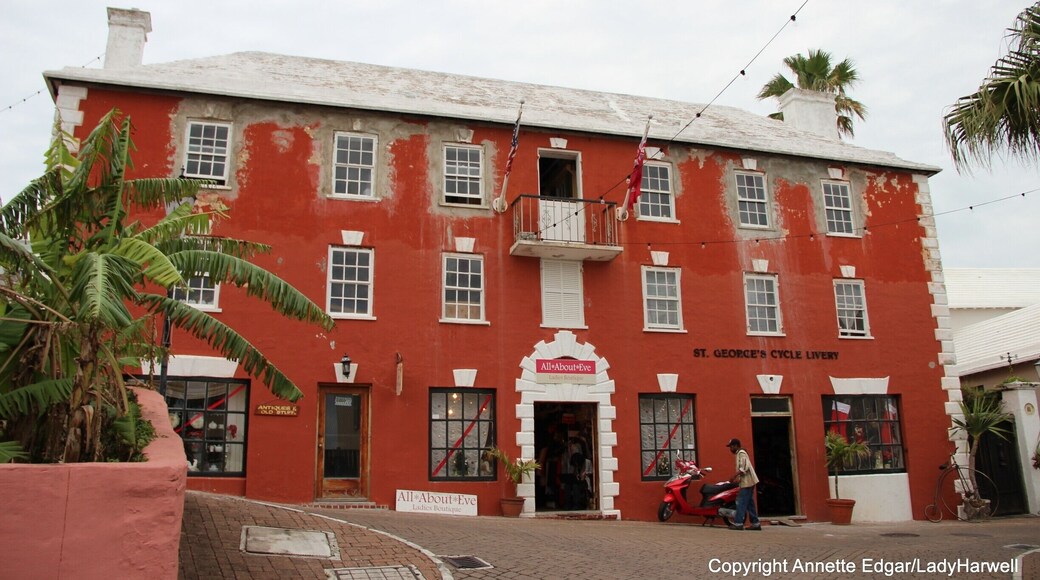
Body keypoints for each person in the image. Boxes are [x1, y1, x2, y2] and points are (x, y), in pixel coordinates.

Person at [726, 438, 761, 531]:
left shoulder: (741, 453)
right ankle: (755, 523)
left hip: (748, 482)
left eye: (731, 446)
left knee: (740, 502)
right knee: (750, 503)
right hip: (748, 481)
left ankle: (738, 523)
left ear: (736, 446)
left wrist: (734, 476)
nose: (731, 449)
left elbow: (744, 467)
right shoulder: (740, 453)